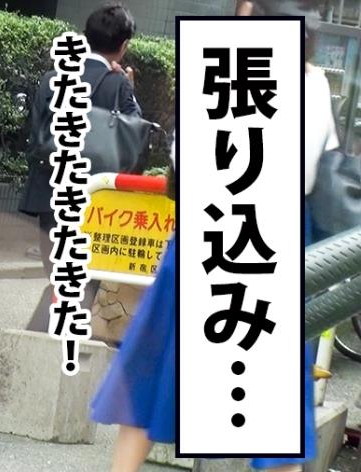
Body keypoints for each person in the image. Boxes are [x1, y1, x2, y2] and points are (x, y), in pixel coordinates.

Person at [89, 5, 332, 471]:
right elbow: (313, 171)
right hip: (275, 239)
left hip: (210, 231)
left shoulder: (221, 75)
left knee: (153, 370)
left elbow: (183, 160)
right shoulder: (314, 85)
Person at [18, 3, 142, 332]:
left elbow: (36, 134)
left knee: (58, 275)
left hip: (52, 193)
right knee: (84, 280)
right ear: (123, 45)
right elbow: (135, 139)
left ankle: (44, 336)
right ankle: (55, 341)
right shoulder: (118, 85)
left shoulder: (52, 79)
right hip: (97, 201)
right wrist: (130, 91)